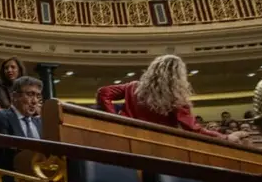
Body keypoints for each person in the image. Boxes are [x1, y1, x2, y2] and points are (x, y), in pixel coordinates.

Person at [95, 55, 223, 138]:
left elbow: (103, 92)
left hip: (127, 135)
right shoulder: (176, 99)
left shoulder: (134, 87)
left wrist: (114, 118)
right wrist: (223, 137)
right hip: (158, 140)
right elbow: (193, 129)